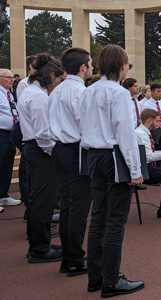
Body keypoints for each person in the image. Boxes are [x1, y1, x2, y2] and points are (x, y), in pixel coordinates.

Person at [79, 45, 145, 297]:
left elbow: (81, 125)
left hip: (93, 155)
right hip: (114, 156)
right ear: (120, 66)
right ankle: (111, 281)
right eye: (128, 64)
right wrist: (135, 170)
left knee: (98, 217)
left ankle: (96, 277)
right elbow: (125, 133)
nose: (128, 68)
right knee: (115, 220)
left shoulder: (89, 91)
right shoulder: (118, 94)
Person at [48, 47, 93, 275]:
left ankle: (68, 257)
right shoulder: (80, 91)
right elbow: (85, 126)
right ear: (83, 67)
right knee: (78, 208)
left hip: (59, 150)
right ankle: (75, 259)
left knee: (67, 205)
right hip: (76, 150)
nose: (92, 67)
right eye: (90, 64)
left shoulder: (56, 90)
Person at [18, 54, 65, 263]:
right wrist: (55, 154)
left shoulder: (31, 92)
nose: (60, 84)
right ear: (52, 75)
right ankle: (39, 249)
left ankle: (39, 245)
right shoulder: (37, 96)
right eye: (59, 79)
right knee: (43, 201)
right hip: (40, 149)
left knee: (40, 200)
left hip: (34, 147)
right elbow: (43, 133)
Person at [0, 69, 21, 211]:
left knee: (7, 165)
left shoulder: (9, 94)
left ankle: (3, 195)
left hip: (9, 135)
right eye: (8, 77)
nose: (12, 79)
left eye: (12, 77)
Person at [142, 84, 161, 168]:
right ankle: (156, 169)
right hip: (153, 131)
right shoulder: (147, 105)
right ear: (152, 92)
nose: (160, 93)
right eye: (158, 91)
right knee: (155, 151)